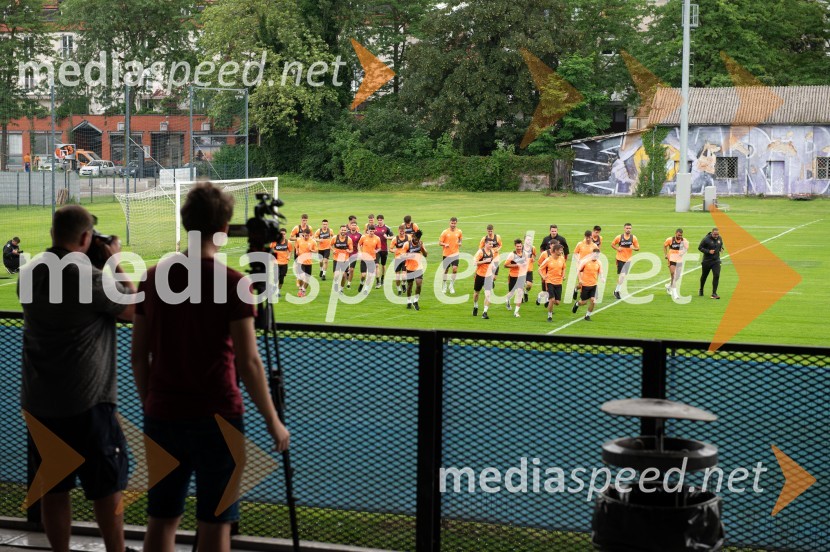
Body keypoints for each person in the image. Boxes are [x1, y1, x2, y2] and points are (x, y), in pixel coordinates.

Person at [131, 183, 290, 552]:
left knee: (162, 519)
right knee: (216, 524)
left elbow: (139, 356)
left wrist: (150, 405)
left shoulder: (152, 278)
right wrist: (273, 421)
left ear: (186, 223)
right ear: (224, 228)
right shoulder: (235, 284)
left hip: (163, 415)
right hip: (218, 418)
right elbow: (249, 363)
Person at [20, 205, 136, 552]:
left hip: (40, 401)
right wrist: (114, 261)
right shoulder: (87, 276)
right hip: (87, 402)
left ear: (54, 232)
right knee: (107, 486)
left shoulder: (32, 271)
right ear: (86, 237)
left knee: (54, 488)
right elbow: (133, 308)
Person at [572, 248, 603, 321]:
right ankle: (577, 304)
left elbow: (601, 271)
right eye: (595, 255)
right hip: (585, 285)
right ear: (592, 254)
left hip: (594, 285)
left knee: (593, 300)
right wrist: (580, 279)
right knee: (583, 302)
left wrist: (602, 277)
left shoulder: (599, 262)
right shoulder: (585, 262)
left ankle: (587, 316)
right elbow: (578, 270)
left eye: (598, 256)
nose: (596, 257)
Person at [611, 223, 640, 300]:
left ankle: (616, 290)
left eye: (629, 228)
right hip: (620, 258)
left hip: (628, 259)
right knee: (622, 275)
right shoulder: (619, 237)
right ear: (624, 229)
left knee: (622, 276)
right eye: (627, 228)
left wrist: (633, 248)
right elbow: (612, 244)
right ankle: (617, 291)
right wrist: (617, 249)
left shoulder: (633, 238)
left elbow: (638, 248)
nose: (628, 229)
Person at [538, 243, 566, 321]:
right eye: (560, 250)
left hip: (559, 282)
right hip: (550, 281)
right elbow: (540, 269)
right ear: (555, 250)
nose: (562, 251)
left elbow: (564, 268)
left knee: (557, 302)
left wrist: (563, 275)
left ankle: (547, 299)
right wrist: (543, 276)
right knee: (552, 299)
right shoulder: (548, 259)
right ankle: (549, 316)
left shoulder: (562, 259)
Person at [401, 230, 427, 310]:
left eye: (418, 239)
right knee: (410, 285)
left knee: (419, 284)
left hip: (419, 267)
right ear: (413, 237)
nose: (417, 240)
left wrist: (422, 248)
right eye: (416, 238)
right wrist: (411, 256)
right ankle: (409, 301)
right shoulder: (407, 244)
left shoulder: (420, 243)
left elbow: (425, 255)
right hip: (409, 267)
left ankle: (415, 301)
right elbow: (402, 256)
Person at [503, 239, 528, 317]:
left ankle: (516, 312)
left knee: (520, 293)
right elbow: (505, 265)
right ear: (515, 246)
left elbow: (526, 263)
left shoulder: (525, 254)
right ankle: (507, 299)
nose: (519, 248)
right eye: (517, 246)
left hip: (521, 276)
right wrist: (516, 265)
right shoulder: (512, 255)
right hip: (513, 276)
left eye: (520, 246)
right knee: (511, 293)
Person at [698, 227, 725, 299]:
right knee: (704, 276)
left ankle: (714, 293)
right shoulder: (706, 239)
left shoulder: (719, 238)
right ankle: (701, 289)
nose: (716, 236)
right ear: (712, 233)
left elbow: (720, 244)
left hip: (716, 261)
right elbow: (700, 247)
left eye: (717, 234)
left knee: (716, 275)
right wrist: (708, 251)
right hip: (707, 261)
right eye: (715, 234)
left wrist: (721, 248)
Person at [472, 239, 496, 319]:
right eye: (490, 244)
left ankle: (485, 312)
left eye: (492, 244)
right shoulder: (480, 252)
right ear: (485, 244)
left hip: (488, 276)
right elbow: (474, 263)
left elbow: (491, 261)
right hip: (479, 275)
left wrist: (493, 266)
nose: (491, 245)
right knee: (476, 293)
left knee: (488, 294)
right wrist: (484, 261)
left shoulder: (492, 252)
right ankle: (475, 306)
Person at [663, 228, 689, 300]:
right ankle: (675, 294)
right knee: (673, 275)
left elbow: (686, 248)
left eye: (681, 235)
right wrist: (665, 254)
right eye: (678, 235)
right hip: (671, 259)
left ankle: (669, 286)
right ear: (675, 233)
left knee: (677, 276)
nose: (679, 236)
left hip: (679, 260)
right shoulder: (670, 240)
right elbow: (664, 246)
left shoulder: (684, 240)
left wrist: (683, 252)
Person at [439, 217, 463, 294]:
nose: (453, 225)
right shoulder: (445, 232)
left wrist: (460, 243)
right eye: (452, 223)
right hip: (446, 254)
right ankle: (445, 285)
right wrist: (444, 244)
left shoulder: (459, 231)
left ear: (456, 223)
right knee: (445, 271)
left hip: (455, 254)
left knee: (455, 269)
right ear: (449, 223)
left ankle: (451, 285)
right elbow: (439, 242)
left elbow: (460, 240)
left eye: (454, 223)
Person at [357, 224, 381, 294]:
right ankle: (361, 283)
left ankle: (366, 289)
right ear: (368, 231)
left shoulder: (377, 238)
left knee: (370, 275)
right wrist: (359, 252)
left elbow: (379, 248)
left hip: (372, 258)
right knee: (363, 275)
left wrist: (377, 251)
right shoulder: (363, 237)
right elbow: (359, 244)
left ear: (374, 231)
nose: (372, 233)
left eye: (373, 231)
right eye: (370, 231)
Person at [372, 214, 394, 289]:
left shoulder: (387, 228)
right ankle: (378, 281)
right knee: (376, 265)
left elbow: (393, 237)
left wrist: (387, 237)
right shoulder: (374, 227)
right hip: (376, 250)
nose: (379, 221)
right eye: (378, 220)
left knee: (383, 265)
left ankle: (382, 279)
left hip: (384, 249)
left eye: (381, 220)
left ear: (383, 220)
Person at [295, 227, 317, 297]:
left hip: (308, 262)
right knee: (302, 276)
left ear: (310, 235)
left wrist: (312, 250)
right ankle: (300, 289)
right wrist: (297, 250)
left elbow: (316, 251)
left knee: (307, 279)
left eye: (307, 235)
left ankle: (303, 290)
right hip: (300, 261)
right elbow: (296, 246)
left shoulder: (313, 241)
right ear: (303, 234)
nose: (306, 237)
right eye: (304, 235)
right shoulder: (299, 240)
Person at [572, 230, 594, 300]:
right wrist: (578, 259)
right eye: (586, 237)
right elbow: (575, 253)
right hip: (581, 267)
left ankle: (576, 288)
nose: (588, 239)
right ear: (585, 237)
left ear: (591, 237)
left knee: (586, 282)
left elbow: (597, 255)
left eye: (589, 237)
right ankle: (582, 298)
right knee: (582, 282)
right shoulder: (580, 244)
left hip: (589, 267)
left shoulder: (594, 245)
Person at [270, 228, 293, 297]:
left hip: (284, 263)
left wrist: (289, 256)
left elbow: (290, 251)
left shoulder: (288, 243)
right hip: (276, 263)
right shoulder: (274, 242)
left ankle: (277, 289)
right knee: (276, 277)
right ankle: (277, 292)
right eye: (281, 234)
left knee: (281, 278)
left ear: (286, 235)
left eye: (284, 234)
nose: (282, 235)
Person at [331, 225, 353, 294]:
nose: (343, 231)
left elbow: (351, 250)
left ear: (346, 231)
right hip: (336, 259)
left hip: (345, 260)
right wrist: (333, 250)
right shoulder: (335, 238)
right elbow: (330, 245)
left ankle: (341, 288)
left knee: (344, 275)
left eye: (344, 230)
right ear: (340, 230)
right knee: (336, 275)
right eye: (342, 230)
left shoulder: (349, 239)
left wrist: (348, 251)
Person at [390, 224, 409, 296]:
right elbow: (390, 249)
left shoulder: (408, 237)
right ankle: (399, 289)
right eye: (400, 231)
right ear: (398, 231)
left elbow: (412, 245)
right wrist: (393, 250)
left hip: (405, 259)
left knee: (404, 276)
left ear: (405, 231)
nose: (402, 232)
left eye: (403, 231)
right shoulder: (395, 239)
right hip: (397, 259)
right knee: (397, 277)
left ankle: (403, 284)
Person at [346, 221, 362, 289]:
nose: (353, 226)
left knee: (352, 269)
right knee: (345, 269)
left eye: (355, 225)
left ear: (356, 226)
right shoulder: (346, 234)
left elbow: (361, 244)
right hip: (346, 253)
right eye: (352, 225)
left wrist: (360, 252)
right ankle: (346, 276)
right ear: (350, 226)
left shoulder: (359, 235)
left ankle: (349, 284)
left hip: (354, 254)